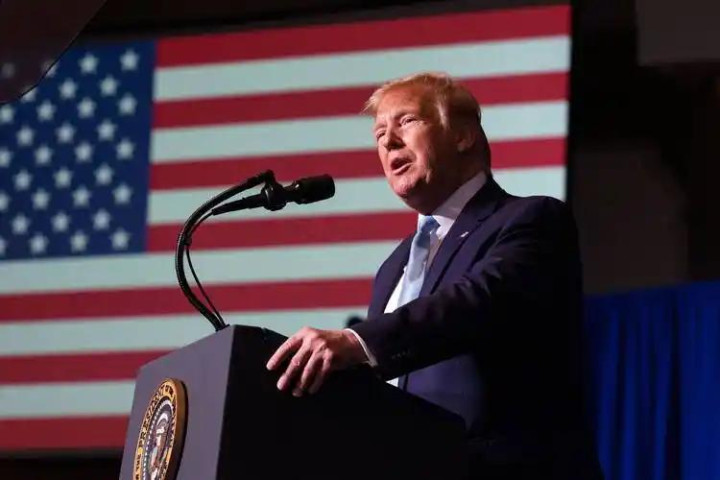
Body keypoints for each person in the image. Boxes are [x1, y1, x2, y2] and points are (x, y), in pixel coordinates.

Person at [266, 72, 603, 479]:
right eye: (379, 134)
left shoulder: (531, 219)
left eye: (406, 121)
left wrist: (357, 341)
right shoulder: (393, 268)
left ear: (462, 135)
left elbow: (478, 301)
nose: (388, 142)